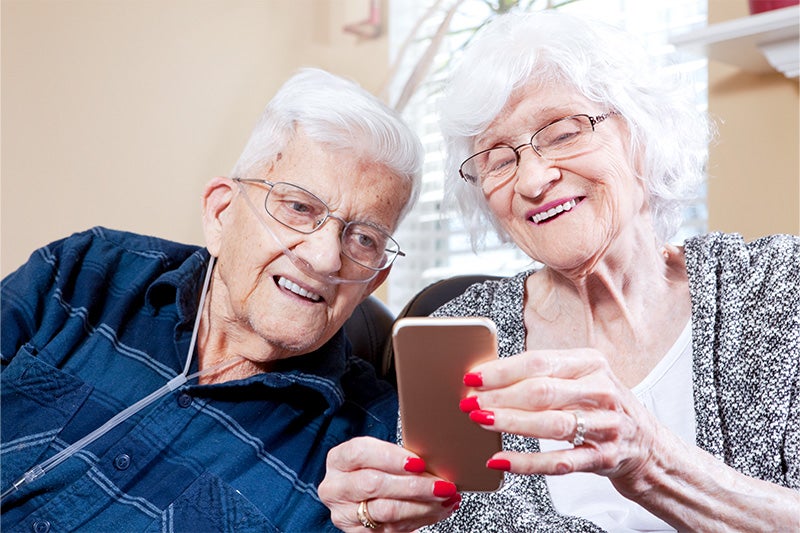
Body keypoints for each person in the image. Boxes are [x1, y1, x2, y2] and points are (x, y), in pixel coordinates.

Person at [318, 10, 800, 532]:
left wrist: (653, 463)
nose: (533, 179)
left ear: (643, 132)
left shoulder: (777, 287)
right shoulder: (460, 335)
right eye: (498, 162)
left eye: (564, 133)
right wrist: (374, 514)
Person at [1, 67, 425, 532]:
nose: (325, 258)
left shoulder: (371, 446)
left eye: (363, 238)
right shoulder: (84, 272)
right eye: (299, 207)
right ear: (221, 214)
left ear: (374, 279)